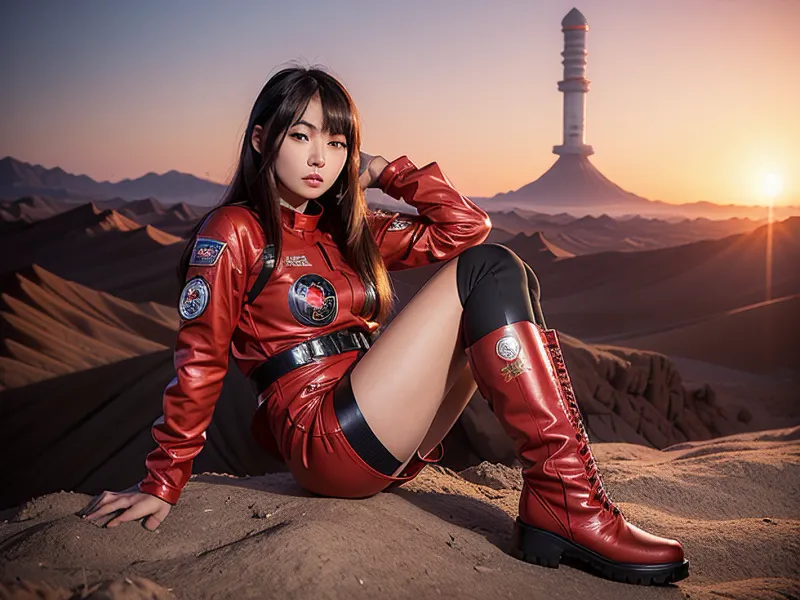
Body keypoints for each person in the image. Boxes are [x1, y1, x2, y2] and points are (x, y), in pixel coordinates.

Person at [79, 66, 688, 585]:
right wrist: (162, 482)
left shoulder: (349, 232)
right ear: (262, 140)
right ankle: (567, 503)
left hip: (387, 429)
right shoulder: (234, 232)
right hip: (326, 435)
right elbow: (200, 361)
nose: (323, 158)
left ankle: (565, 498)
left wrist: (385, 171)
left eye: (339, 144)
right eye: (301, 136)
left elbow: (465, 228)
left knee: (510, 274)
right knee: (490, 272)